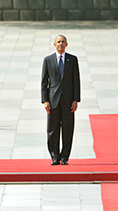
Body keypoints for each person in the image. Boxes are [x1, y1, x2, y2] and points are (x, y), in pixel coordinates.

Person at [41, 35, 81, 166]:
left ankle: (64, 157)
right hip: (53, 101)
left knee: (68, 129)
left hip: (68, 101)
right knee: (52, 129)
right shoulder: (48, 60)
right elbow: (44, 82)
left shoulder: (73, 60)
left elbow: (76, 81)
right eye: (58, 42)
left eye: (63, 42)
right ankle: (54, 156)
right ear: (54, 44)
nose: (61, 44)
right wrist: (45, 100)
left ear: (67, 44)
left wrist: (76, 99)